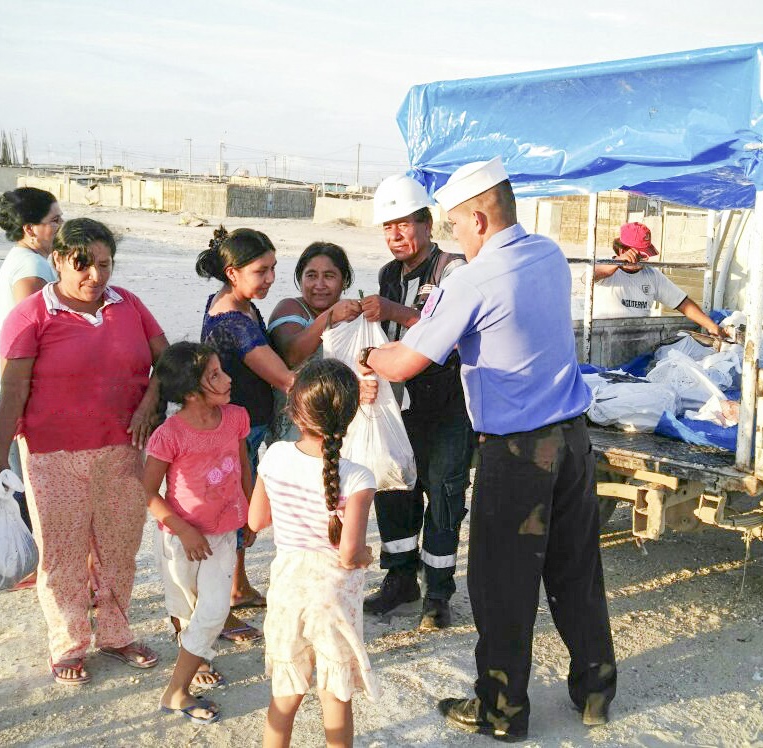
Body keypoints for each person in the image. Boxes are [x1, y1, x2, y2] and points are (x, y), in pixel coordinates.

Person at [360, 158, 616, 740]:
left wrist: (365, 357)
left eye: (455, 225)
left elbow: (405, 361)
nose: (455, 236)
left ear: (478, 217)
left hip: (518, 453)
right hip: (573, 443)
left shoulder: (471, 279)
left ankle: (501, 710)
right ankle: (596, 691)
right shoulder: (549, 255)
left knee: (503, 584)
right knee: (577, 571)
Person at [0, 217, 165, 686]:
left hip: (122, 450)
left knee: (119, 548)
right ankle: (68, 643)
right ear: (58, 261)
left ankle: (115, 633)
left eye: (104, 264)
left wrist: (151, 398)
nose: (95, 275)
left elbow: (167, 360)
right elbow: (11, 393)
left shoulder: (128, 304)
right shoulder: (31, 314)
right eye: (82, 264)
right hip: (53, 456)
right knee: (62, 555)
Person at [359, 174, 474, 631]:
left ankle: (439, 593)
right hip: (397, 407)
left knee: (444, 497)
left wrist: (398, 314)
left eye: (404, 225)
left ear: (427, 223)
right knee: (394, 490)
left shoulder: (454, 269)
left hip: (447, 407)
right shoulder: (389, 275)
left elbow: (455, 332)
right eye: (388, 227)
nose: (395, 236)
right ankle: (400, 579)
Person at [248, 358, 379, 748]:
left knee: (285, 694)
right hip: (333, 597)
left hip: (288, 588)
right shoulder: (357, 478)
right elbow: (348, 553)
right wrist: (368, 555)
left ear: (293, 408)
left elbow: (256, 521)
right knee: (334, 693)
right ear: (352, 414)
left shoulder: (272, 457)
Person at [144, 342, 252, 725]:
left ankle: (177, 690)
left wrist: (250, 514)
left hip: (222, 536)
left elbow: (243, 466)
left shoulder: (237, 417)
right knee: (186, 607)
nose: (228, 379)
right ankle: (196, 658)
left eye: (223, 371)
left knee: (213, 608)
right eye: (215, 375)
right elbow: (146, 490)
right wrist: (184, 530)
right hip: (181, 540)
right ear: (190, 391)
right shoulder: (169, 435)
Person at [197, 225, 296, 641]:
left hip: (242, 425)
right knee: (231, 516)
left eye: (274, 268)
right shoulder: (234, 320)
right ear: (232, 272)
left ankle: (237, 588)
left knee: (238, 515)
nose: (270, 278)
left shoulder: (235, 303)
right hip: (235, 432)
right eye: (261, 271)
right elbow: (282, 376)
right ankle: (217, 611)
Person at [0, 188, 61, 539]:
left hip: (13, 387)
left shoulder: (22, 259)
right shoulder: (32, 269)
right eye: (54, 221)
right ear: (30, 228)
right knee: (32, 486)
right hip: (22, 391)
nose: (60, 227)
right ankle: (32, 563)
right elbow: (33, 335)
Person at [267, 241, 363, 442]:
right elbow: (292, 356)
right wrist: (328, 317)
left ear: (344, 281)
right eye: (311, 276)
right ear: (300, 279)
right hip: (297, 425)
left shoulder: (350, 315)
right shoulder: (290, 308)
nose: (319, 285)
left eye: (329, 276)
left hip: (340, 425)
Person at [594, 222, 725, 337]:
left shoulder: (652, 275)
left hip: (638, 338)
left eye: (645, 256)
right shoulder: (605, 270)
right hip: (603, 338)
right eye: (638, 255)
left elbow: (682, 303)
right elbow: (592, 275)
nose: (642, 260)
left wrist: (712, 327)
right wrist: (618, 262)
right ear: (623, 250)